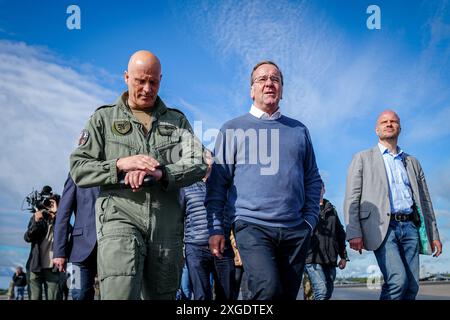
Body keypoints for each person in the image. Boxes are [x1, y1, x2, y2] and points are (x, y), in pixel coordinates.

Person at [70, 50, 207, 300]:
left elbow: (199, 162)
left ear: (161, 80)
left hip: (166, 228)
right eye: (140, 80)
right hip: (119, 219)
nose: (147, 88)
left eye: (153, 82)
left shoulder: (177, 121)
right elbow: (79, 167)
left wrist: (162, 172)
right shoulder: (103, 118)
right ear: (126, 77)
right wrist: (121, 163)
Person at [206, 60, 322, 300]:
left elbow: (312, 178)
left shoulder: (299, 130)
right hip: (251, 225)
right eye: (262, 79)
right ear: (252, 90)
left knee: (287, 295)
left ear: (282, 89)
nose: (269, 83)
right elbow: (218, 184)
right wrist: (217, 227)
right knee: (267, 290)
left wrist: (310, 221)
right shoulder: (232, 129)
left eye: (275, 79)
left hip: (296, 229)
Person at [344, 110, 443, 300]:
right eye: (384, 122)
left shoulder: (412, 162)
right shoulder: (363, 158)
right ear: (377, 129)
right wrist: (354, 231)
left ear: (399, 127)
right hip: (382, 228)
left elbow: (426, 202)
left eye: (393, 121)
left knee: (412, 286)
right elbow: (352, 197)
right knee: (397, 280)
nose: (389, 124)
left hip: (410, 227)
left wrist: (434, 235)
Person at [180, 153, 235, 300]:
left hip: (222, 247)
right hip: (195, 248)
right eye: (206, 162)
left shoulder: (226, 188)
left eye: (212, 162)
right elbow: (179, 218)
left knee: (227, 296)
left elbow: (233, 213)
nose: (209, 165)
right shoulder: (186, 188)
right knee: (201, 295)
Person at [52, 173, 100, 300]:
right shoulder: (75, 173)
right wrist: (59, 252)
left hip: (113, 246)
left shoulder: (119, 166)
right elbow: (62, 215)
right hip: (78, 251)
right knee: (78, 295)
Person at [304, 182, 348, 300]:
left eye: (320, 188)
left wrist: (343, 256)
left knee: (327, 292)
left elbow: (340, 234)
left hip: (330, 259)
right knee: (321, 292)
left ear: (324, 190)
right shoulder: (305, 209)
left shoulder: (332, 210)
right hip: (312, 258)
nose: (318, 190)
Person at [24, 186, 62, 300]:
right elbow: (27, 237)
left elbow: (67, 234)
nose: (48, 205)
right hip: (35, 266)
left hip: (53, 267)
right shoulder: (37, 218)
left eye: (51, 203)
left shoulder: (60, 220)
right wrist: (36, 221)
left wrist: (58, 215)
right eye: (46, 203)